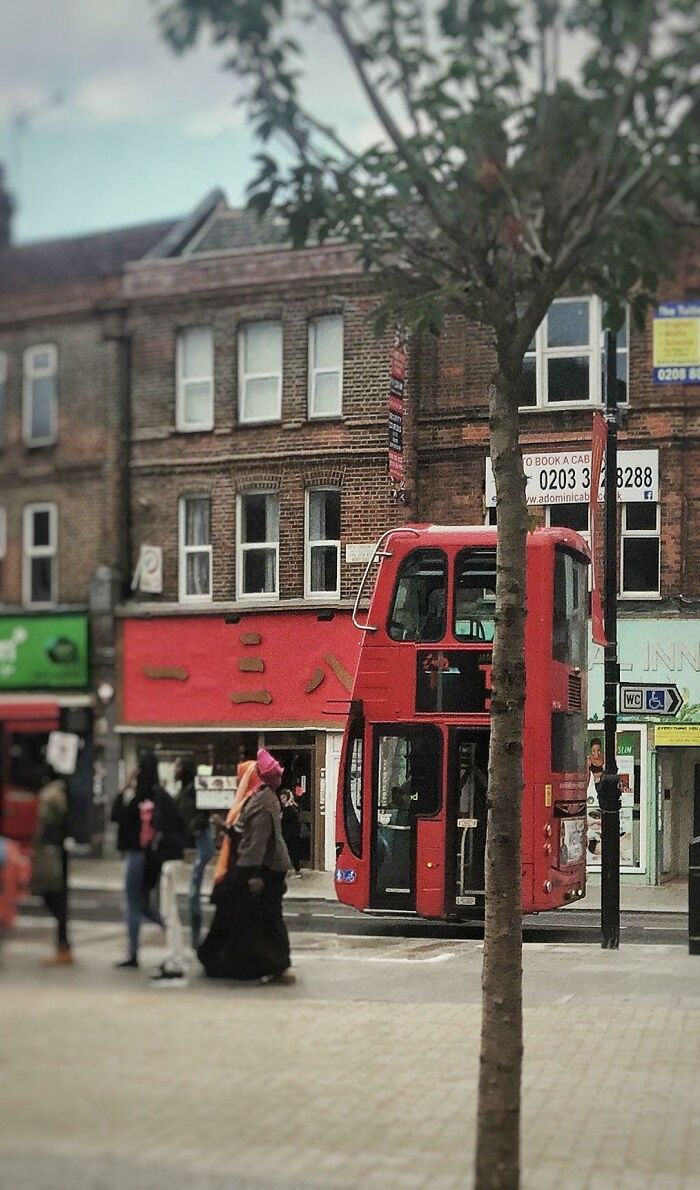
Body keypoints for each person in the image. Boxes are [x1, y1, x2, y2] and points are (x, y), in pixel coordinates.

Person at [198, 749, 294, 985]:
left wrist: (251, 874)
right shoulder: (261, 796)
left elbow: (256, 842)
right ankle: (268, 963)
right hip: (263, 867)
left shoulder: (262, 801)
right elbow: (244, 832)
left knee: (265, 918)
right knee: (262, 918)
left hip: (263, 869)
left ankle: (272, 963)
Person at [111, 752, 164, 969]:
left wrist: (126, 785)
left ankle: (133, 954)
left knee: (134, 905)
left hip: (136, 855)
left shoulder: (136, 798)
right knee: (143, 905)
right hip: (153, 857)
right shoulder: (158, 795)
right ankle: (170, 929)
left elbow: (117, 815)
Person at [30, 766, 73, 966]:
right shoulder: (59, 794)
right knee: (55, 895)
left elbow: (50, 824)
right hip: (56, 850)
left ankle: (63, 945)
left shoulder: (53, 796)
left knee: (51, 893)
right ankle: (63, 944)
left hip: (52, 851)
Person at [148, 780, 188, 987]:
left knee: (169, 914)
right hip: (172, 862)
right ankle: (175, 958)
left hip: (169, 864)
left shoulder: (165, 822)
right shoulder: (170, 812)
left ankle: (176, 960)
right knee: (168, 913)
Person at [174, 756, 214, 949]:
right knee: (192, 895)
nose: (175, 768)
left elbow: (205, 814)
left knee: (193, 894)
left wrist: (195, 826)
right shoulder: (185, 789)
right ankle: (194, 938)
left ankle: (196, 938)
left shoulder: (193, 790)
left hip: (201, 844)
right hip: (195, 844)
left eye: (178, 764)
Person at [279, 788, 303, 877]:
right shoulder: (290, 807)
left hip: (291, 835)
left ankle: (296, 870)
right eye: (281, 798)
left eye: (284, 798)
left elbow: (284, 820)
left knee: (292, 852)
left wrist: (281, 817)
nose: (282, 800)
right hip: (290, 834)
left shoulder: (290, 809)